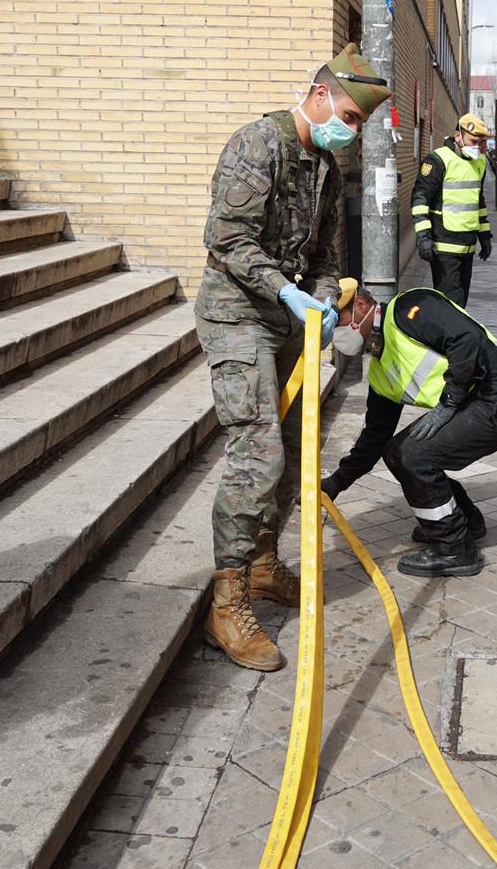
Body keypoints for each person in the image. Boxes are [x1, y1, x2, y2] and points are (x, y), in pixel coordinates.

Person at [196, 43, 390, 671]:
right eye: (351, 118)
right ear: (319, 95)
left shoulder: (328, 170)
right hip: (237, 314)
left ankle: (261, 564)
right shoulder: (259, 145)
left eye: (359, 125)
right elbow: (226, 238)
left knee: (291, 447)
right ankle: (227, 600)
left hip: (288, 322)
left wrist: (327, 299)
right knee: (258, 449)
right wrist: (284, 289)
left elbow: (330, 259)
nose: (351, 133)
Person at [322, 280, 497, 577]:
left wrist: (449, 401)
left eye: (338, 322)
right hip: (476, 403)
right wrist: (336, 483)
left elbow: (465, 338)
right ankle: (464, 522)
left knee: (413, 455)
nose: (336, 334)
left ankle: (455, 548)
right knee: (395, 452)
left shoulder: (408, 307)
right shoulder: (381, 369)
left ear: (361, 306)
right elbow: (374, 438)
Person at [412, 113, 493, 306]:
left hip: (468, 247)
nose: (477, 147)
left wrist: (485, 236)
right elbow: (419, 199)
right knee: (450, 304)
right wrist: (423, 237)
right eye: (473, 141)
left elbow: (477, 202)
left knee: (461, 302)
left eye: (481, 143)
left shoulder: (479, 162)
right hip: (444, 248)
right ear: (458, 136)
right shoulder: (438, 160)